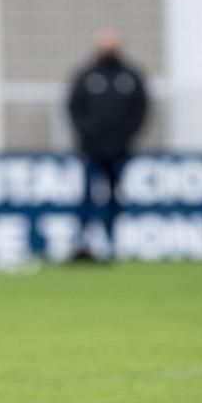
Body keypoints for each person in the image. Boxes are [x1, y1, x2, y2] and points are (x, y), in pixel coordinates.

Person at [67, 27, 149, 261]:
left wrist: (125, 137)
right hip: (91, 149)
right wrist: (89, 136)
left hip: (120, 149)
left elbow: (141, 110)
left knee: (114, 196)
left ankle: (111, 243)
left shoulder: (130, 76)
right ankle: (82, 243)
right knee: (88, 195)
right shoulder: (86, 76)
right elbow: (74, 109)